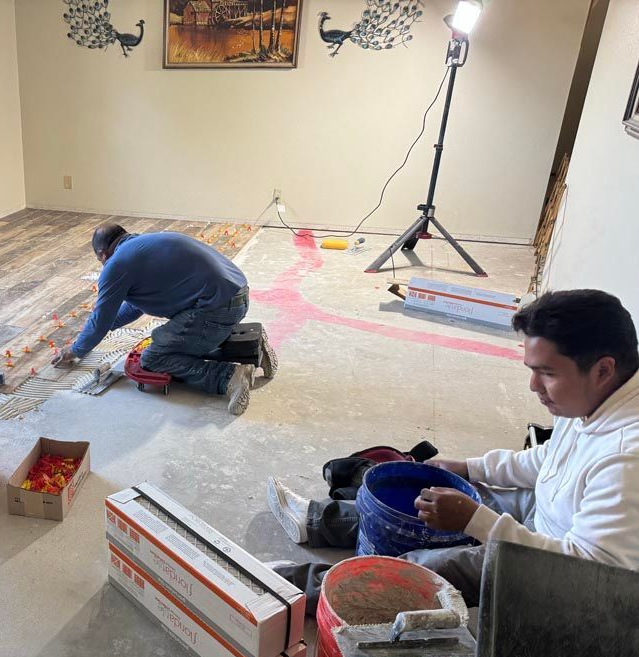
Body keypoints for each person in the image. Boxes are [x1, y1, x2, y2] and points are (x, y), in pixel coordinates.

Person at [267, 289, 639, 610]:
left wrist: (475, 520)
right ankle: (318, 521)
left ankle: (292, 589)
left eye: (548, 373)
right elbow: (548, 459)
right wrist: (467, 469)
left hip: (558, 575)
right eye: (531, 369)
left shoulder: (627, 460)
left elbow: (587, 573)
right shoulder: (592, 398)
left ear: (604, 370)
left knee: (427, 566)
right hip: (546, 515)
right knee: (433, 495)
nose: (533, 386)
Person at [51, 222, 276, 415]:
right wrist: (98, 328)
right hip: (238, 296)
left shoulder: (116, 264)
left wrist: (75, 349)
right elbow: (132, 308)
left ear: (102, 255)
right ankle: (251, 346)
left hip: (215, 310)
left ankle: (231, 377)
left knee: (154, 357)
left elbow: (100, 320)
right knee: (182, 339)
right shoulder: (144, 246)